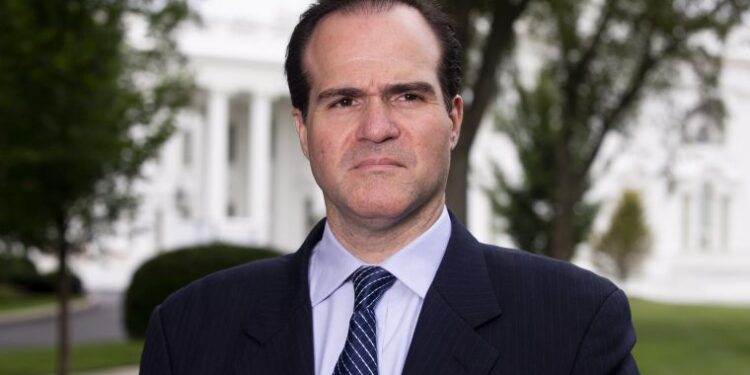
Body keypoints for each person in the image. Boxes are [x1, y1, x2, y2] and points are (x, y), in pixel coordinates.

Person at [140, 0, 640, 374]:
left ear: (453, 119)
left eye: (407, 95)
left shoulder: (574, 326)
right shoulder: (189, 332)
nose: (376, 127)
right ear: (303, 130)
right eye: (344, 101)